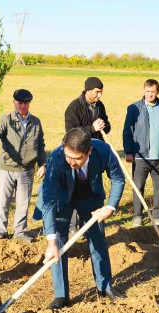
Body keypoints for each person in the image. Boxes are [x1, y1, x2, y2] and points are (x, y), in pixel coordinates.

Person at [33, 127, 125, 309]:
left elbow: (118, 179)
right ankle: (61, 295)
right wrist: (50, 242)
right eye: (69, 157)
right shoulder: (58, 158)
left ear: (89, 151)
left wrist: (110, 207)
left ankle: (104, 286)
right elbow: (49, 199)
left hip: (90, 196)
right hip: (61, 198)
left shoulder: (103, 151)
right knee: (58, 243)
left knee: (98, 240)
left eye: (77, 158)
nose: (72, 162)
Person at [0, 89, 47, 242]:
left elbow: (41, 145)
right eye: (20, 103)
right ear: (14, 102)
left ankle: (20, 232)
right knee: (3, 201)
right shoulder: (6, 119)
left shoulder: (36, 122)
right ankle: (1, 231)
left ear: (29, 103)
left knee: (23, 203)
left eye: (26, 103)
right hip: (7, 168)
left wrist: (43, 164)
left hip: (27, 170)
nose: (23, 106)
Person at [63, 76, 112, 237]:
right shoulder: (73, 108)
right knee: (73, 190)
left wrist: (105, 125)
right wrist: (91, 128)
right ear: (88, 90)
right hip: (77, 157)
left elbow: (107, 124)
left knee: (92, 189)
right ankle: (71, 228)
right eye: (97, 92)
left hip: (94, 156)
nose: (100, 95)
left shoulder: (100, 106)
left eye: (101, 92)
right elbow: (71, 133)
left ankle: (89, 225)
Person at [122, 79, 159, 227]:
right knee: (138, 187)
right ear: (144, 91)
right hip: (141, 156)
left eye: (153, 91)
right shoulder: (134, 108)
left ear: (158, 91)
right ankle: (137, 216)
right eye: (147, 91)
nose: (150, 94)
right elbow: (127, 131)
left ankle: (158, 215)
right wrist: (128, 152)